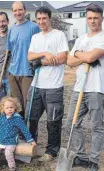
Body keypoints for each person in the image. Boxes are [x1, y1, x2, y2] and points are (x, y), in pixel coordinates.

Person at [66, 4, 104, 171]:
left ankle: (94, 161)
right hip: (79, 87)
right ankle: (81, 155)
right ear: (86, 19)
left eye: (95, 17)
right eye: (89, 18)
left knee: (96, 127)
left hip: (97, 89)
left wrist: (80, 55)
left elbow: (91, 57)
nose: (92, 21)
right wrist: (82, 55)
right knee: (71, 123)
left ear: (102, 18)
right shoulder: (81, 39)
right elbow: (69, 61)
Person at [26, 6, 69, 162]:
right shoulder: (36, 37)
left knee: (53, 120)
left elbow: (62, 58)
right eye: (39, 19)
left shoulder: (59, 35)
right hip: (36, 85)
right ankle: (30, 147)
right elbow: (30, 57)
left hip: (53, 87)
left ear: (50, 18)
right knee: (31, 117)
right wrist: (45, 54)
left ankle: (52, 151)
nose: (41, 21)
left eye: (44, 18)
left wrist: (40, 62)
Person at [7, 2, 41, 117]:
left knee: (28, 105)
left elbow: (40, 48)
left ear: (25, 10)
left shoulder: (34, 27)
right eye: (15, 11)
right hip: (13, 72)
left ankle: (30, 132)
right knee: (16, 106)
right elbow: (11, 51)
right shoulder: (11, 30)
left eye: (20, 10)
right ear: (12, 12)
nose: (18, 13)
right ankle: (19, 132)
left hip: (27, 72)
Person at [0, 97, 36, 171]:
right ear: (3, 108)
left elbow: (24, 130)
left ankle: (12, 168)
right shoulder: (1, 117)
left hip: (11, 141)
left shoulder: (17, 119)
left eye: (11, 107)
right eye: (7, 108)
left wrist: (31, 140)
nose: (9, 109)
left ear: (15, 108)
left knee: (8, 153)